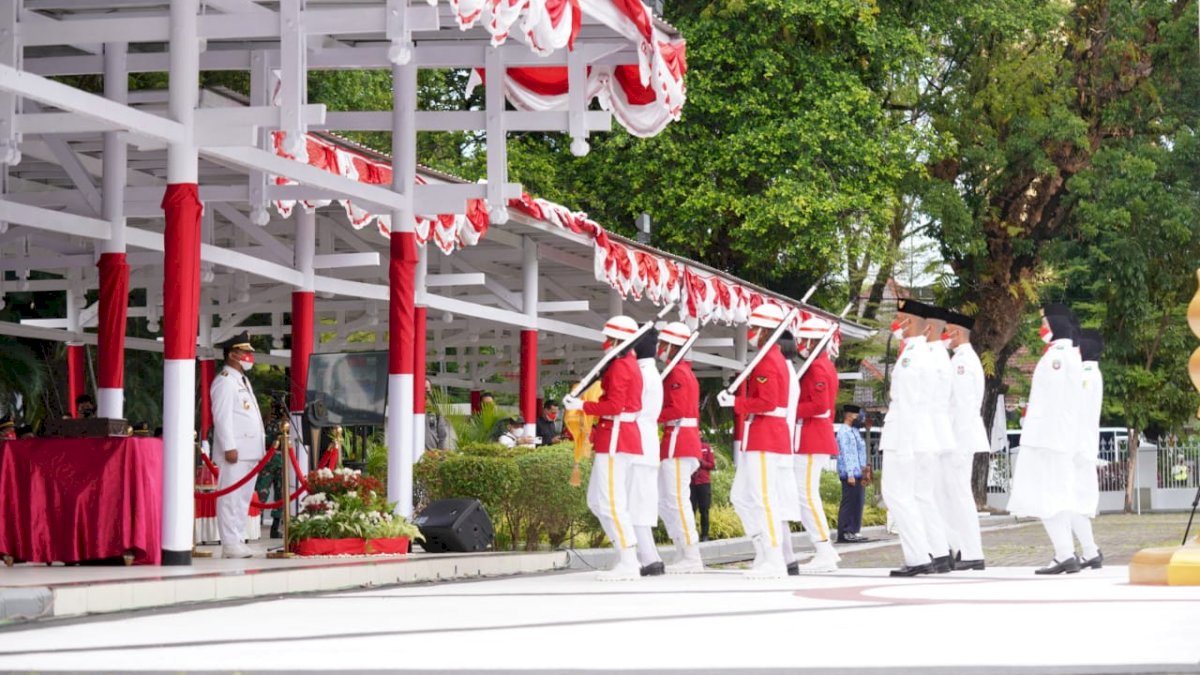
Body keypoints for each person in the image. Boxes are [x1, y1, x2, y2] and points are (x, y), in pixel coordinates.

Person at [562, 315, 643, 581]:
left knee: (610, 501)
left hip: (617, 436)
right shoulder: (624, 364)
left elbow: (614, 406)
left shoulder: (621, 366)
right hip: (615, 436)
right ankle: (623, 552)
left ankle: (629, 560)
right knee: (597, 501)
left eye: (610, 338)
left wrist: (581, 406)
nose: (606, 343)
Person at [1007, 304, 1085, 574]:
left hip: (1047, 438)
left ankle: (1065, 553)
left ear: (1055, 325)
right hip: (1054, 436)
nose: (1042, 328)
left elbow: (1050, 401)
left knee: (1045, 494)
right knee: (1053, 495)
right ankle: (1065, 553)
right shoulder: (1065, 354)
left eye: (1044, 323)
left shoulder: (1058, 358)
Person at [718, 303, 792, 578]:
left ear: (764, 331)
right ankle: (762, 548)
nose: (750, 332)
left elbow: (767, 402)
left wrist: (736, 402)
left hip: (766, 435)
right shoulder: (767, 357)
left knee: (763, 498)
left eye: (754, 328)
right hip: (758, 435)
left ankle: (774, 558)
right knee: (740, 497)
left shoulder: (768, 360)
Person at [879, 299, 937, 576]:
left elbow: (910, 403)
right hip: (913, 434)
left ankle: (918, 557)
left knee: (897, 494)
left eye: (899, 317)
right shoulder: (918, 354)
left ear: (910, 322)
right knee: (906, 496)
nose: (895, 323)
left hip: (905, 435)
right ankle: (921, 554)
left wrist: (904, 445)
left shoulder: (914, 357)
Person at [788, 316, 842, 574]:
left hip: (812, 435)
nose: (801, 344)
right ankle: (825, 549)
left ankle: (822, 548)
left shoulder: (819, 368)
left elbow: (819, 405)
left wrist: (790, 410)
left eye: (804, 340)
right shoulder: (819, 365)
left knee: (806, 495)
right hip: (810, 435)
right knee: (806, 494)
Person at [210, 331, 266, 559]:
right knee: (230, 498)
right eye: (245, 352)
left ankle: (238, 538)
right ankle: (230, 542)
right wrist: (228, 446)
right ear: (233, 354)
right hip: (235, 451)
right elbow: (221, 417)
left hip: (250, 450)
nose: (249, 356)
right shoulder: (224, 380)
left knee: (243, 498)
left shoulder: (241, 380)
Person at [656, 322, 705, 573]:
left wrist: (651, 413)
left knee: (676, 500)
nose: (659, 349)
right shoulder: (679, 371)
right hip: (675, 440)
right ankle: (682, 549)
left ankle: (691, 554)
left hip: (680, 440)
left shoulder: (677, 373)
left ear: (673, 346)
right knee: (666, 501)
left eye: (663, 344)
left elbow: (677, 409)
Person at [942, 310, 988, 570]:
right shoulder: (962, 359)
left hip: (960, 438)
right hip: (959, 437)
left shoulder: (962, 363)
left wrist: (952, 441)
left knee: (960, 496)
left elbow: (961, 407)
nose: (945, 335)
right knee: (953, 494)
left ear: (957, 333)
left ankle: (972, 552)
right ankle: (961, 548)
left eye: (947, 330)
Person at [919, 308, 954, 573]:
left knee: (925, 494)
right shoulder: (938, 355)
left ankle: (939, 551)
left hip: (928, 431)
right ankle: (940, 549)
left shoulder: (933, 356)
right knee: (931, 494)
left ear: (928, 328)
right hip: (934, 430)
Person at [630, 328, 666, 576]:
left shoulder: (642, 374)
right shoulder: (651, 372)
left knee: (636, 502)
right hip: (647, 442)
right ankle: (648, 556)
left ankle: (649, 558)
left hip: (638, 441)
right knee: (639, 501)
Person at [1072, 329, 1105, 570]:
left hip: (1079, 447)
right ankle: (1089, 550)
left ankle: (1089, 550)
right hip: (1083, 445)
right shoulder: (1092, 372)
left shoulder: (1086, 374)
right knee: (1075, 501)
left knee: (1073, 501)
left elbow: (1075, 410)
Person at [835, 404, 870, 543]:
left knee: (858, 502)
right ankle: (844, 532)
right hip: (849, 472)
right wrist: (850, 474)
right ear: (849, 415)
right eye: (857, 415)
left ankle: (854, 530)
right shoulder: (843, 432)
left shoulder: (855, 431)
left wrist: (865, 470)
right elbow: (846, 453)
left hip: (858, 472)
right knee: (849, 502)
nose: (859, 418)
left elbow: (860, 452)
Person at [257, 401, 286, 539]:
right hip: (267, 462)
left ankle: (275, 527)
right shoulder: (265, 421)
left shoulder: (286, 423)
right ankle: (253, 526)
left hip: (281, 462)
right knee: (261, 493)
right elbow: (263, 440)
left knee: (280, 496)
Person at [691, 441, 716, 542]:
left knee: (704, 510)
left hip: (703, 482)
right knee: (691, 510)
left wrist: (701, 462)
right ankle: (692, 535)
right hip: (691, 483)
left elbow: (712, 465)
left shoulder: (706, 447)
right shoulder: (689, 447)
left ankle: (705, 535)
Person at [425, 380, 458, 451]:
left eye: (426, 389)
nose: (424, 392)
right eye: (421, 389)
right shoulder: (409, 410)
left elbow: (442, 434)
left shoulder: (436, 410)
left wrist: (439, 452)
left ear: (431, 390)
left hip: (432, 454)